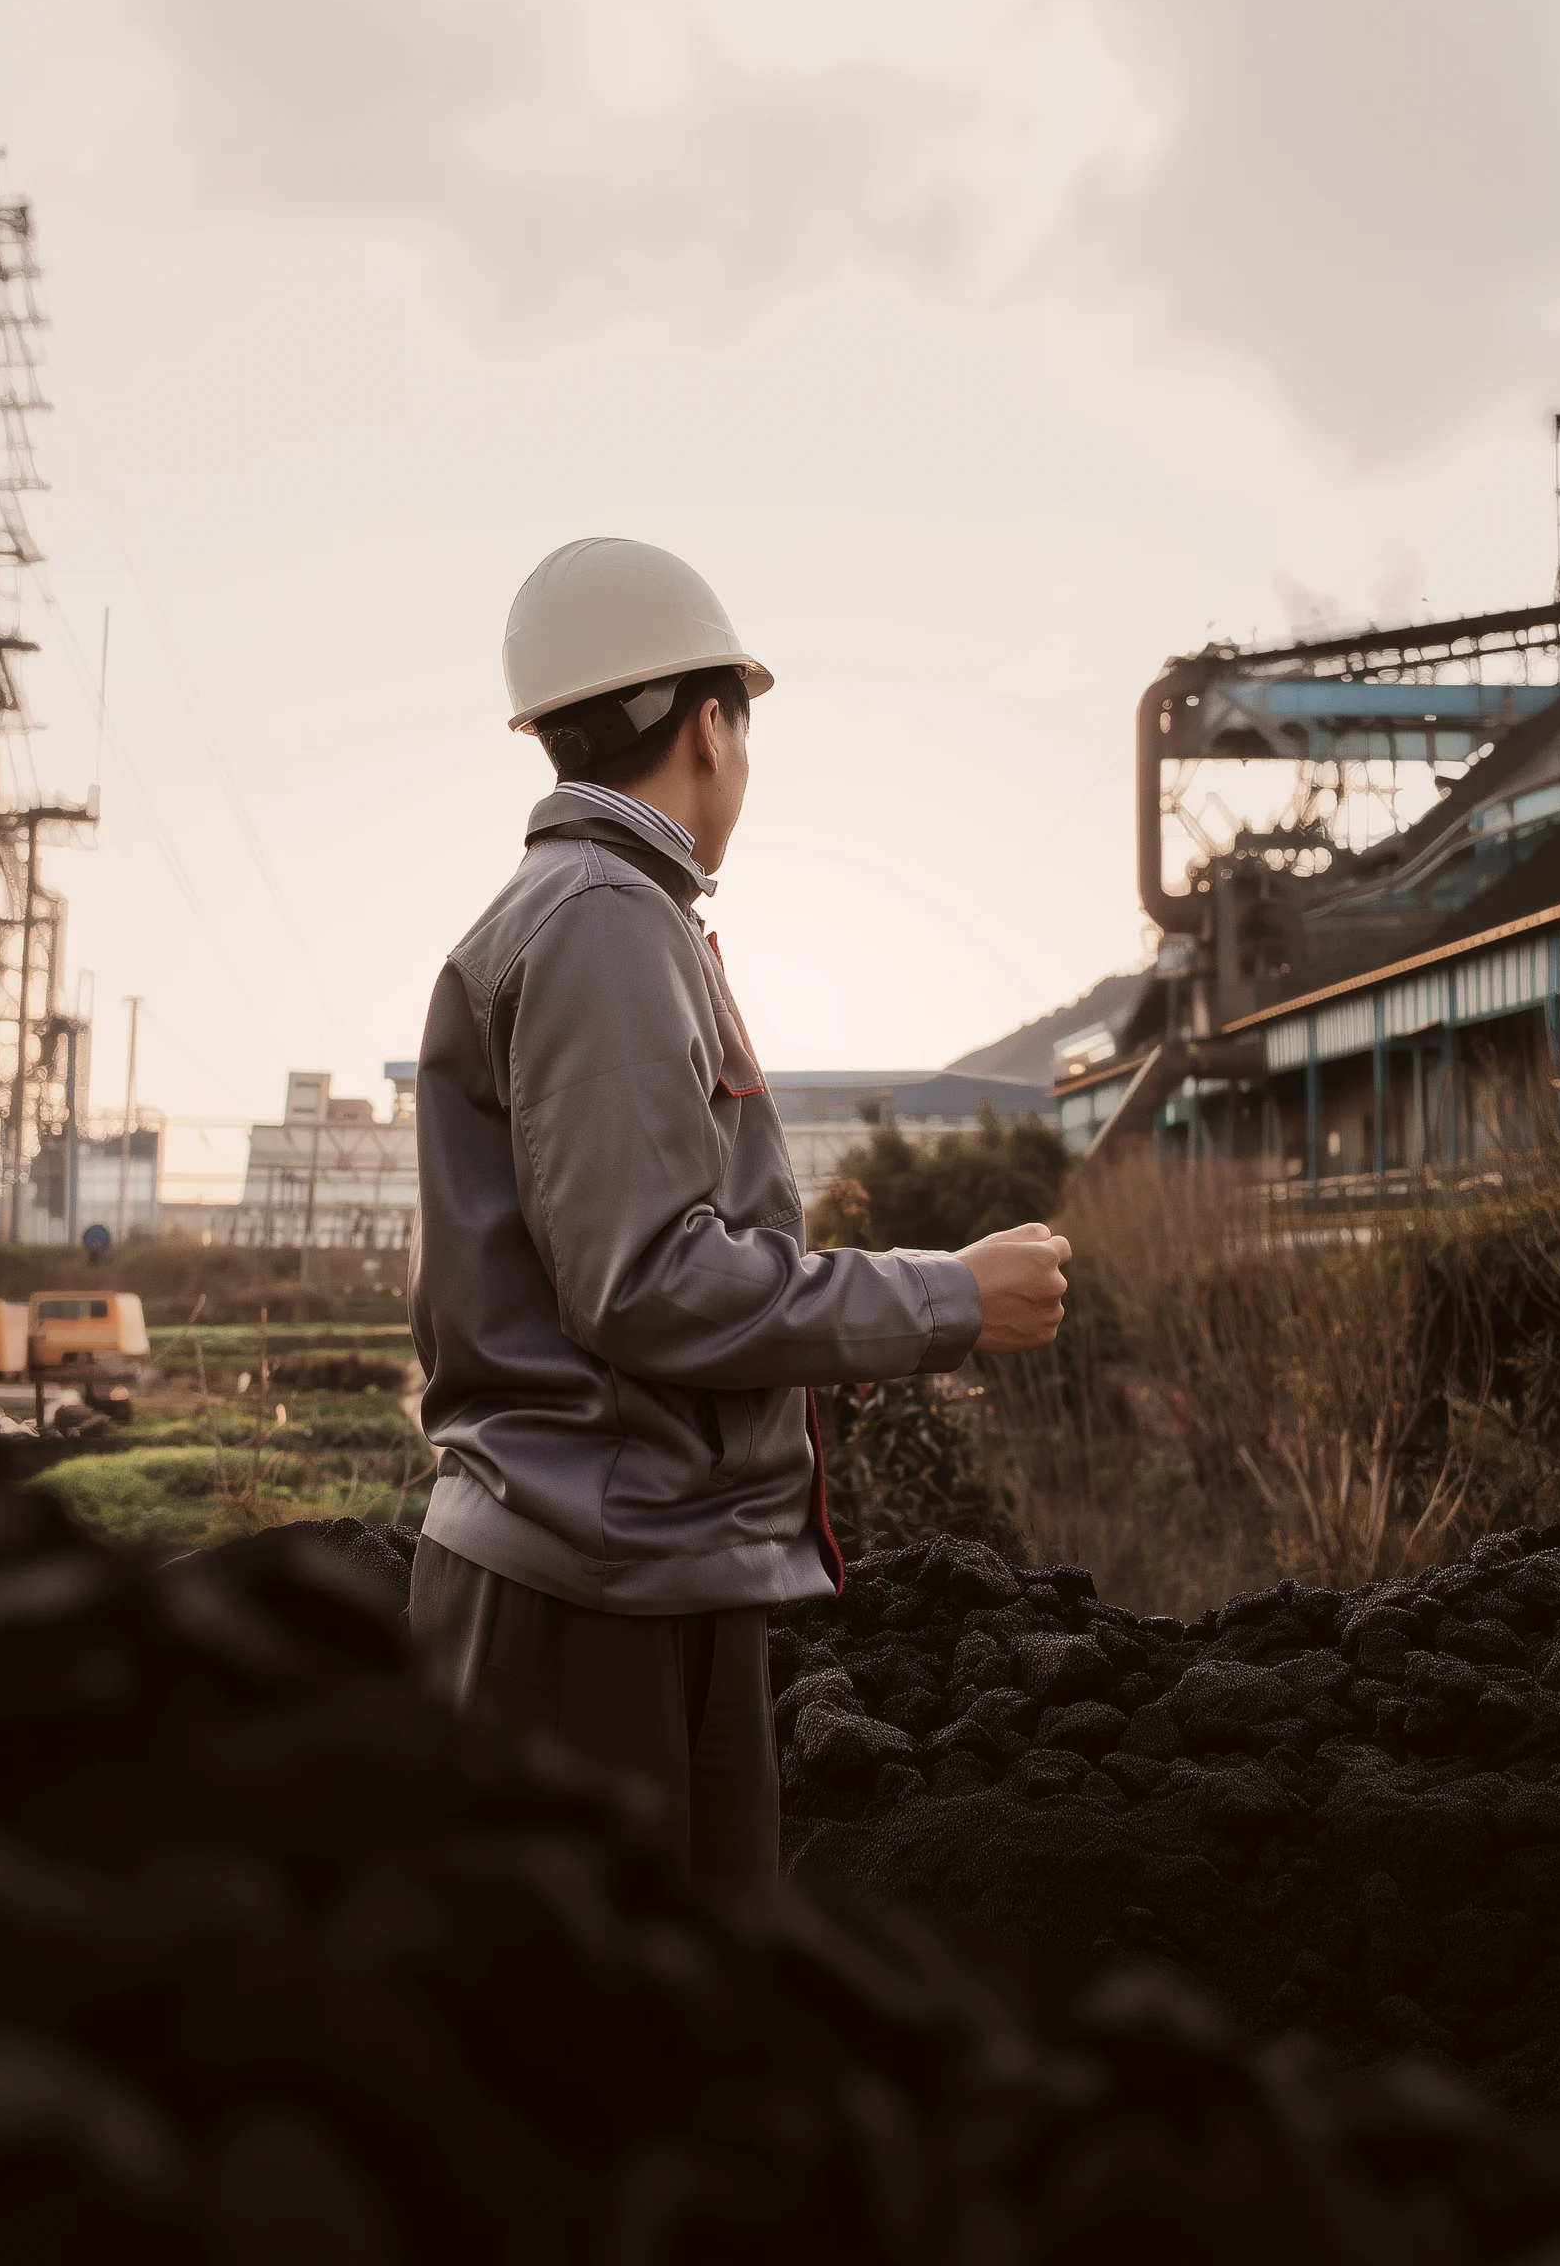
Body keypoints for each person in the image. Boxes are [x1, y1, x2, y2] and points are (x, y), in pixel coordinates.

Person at [407, 537, 1070, 1894]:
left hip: (611, 1568)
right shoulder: (604, 920)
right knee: (619, 2058)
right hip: (594, 1600)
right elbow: (648, 1280)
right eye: (744, 735)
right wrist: (950, 1298)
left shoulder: (596, 912)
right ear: (710, 728)